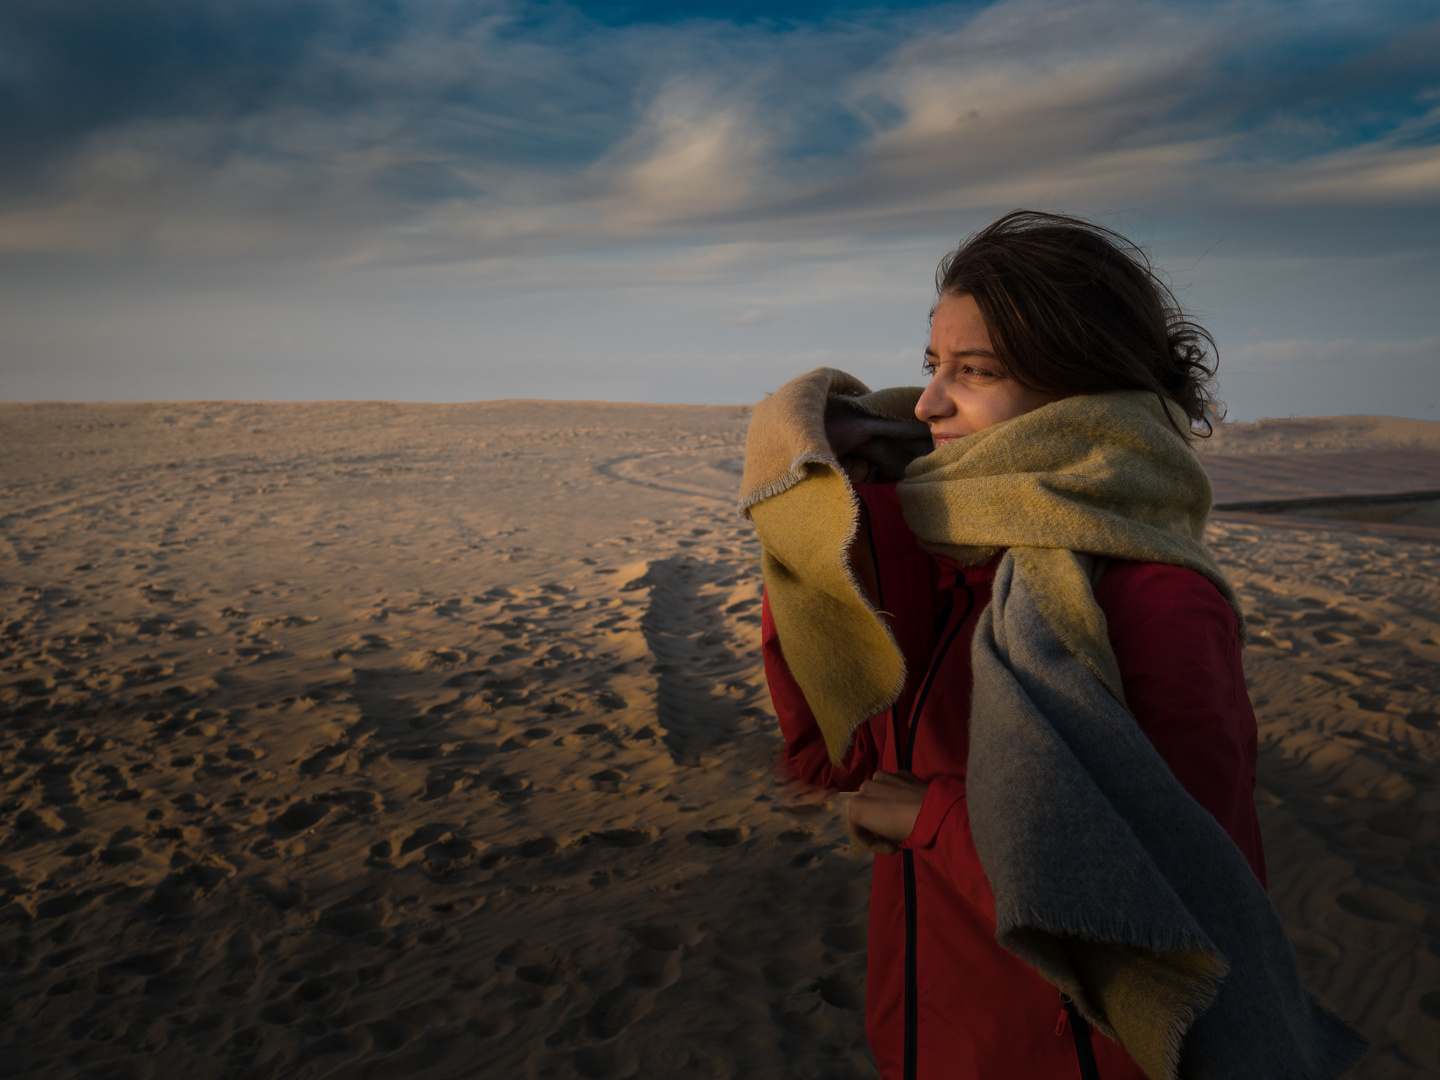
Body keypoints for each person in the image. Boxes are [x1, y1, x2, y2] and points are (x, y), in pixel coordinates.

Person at [740, 212, 1365, 1080]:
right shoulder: (953, 559)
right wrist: (825, 509)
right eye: (932, 367)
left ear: (1078, 391)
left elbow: (1167, 899)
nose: (926, 404)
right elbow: (833, 752)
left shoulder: (1156, 600)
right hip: (933, 1040)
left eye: (976, 372)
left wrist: (933, 818)